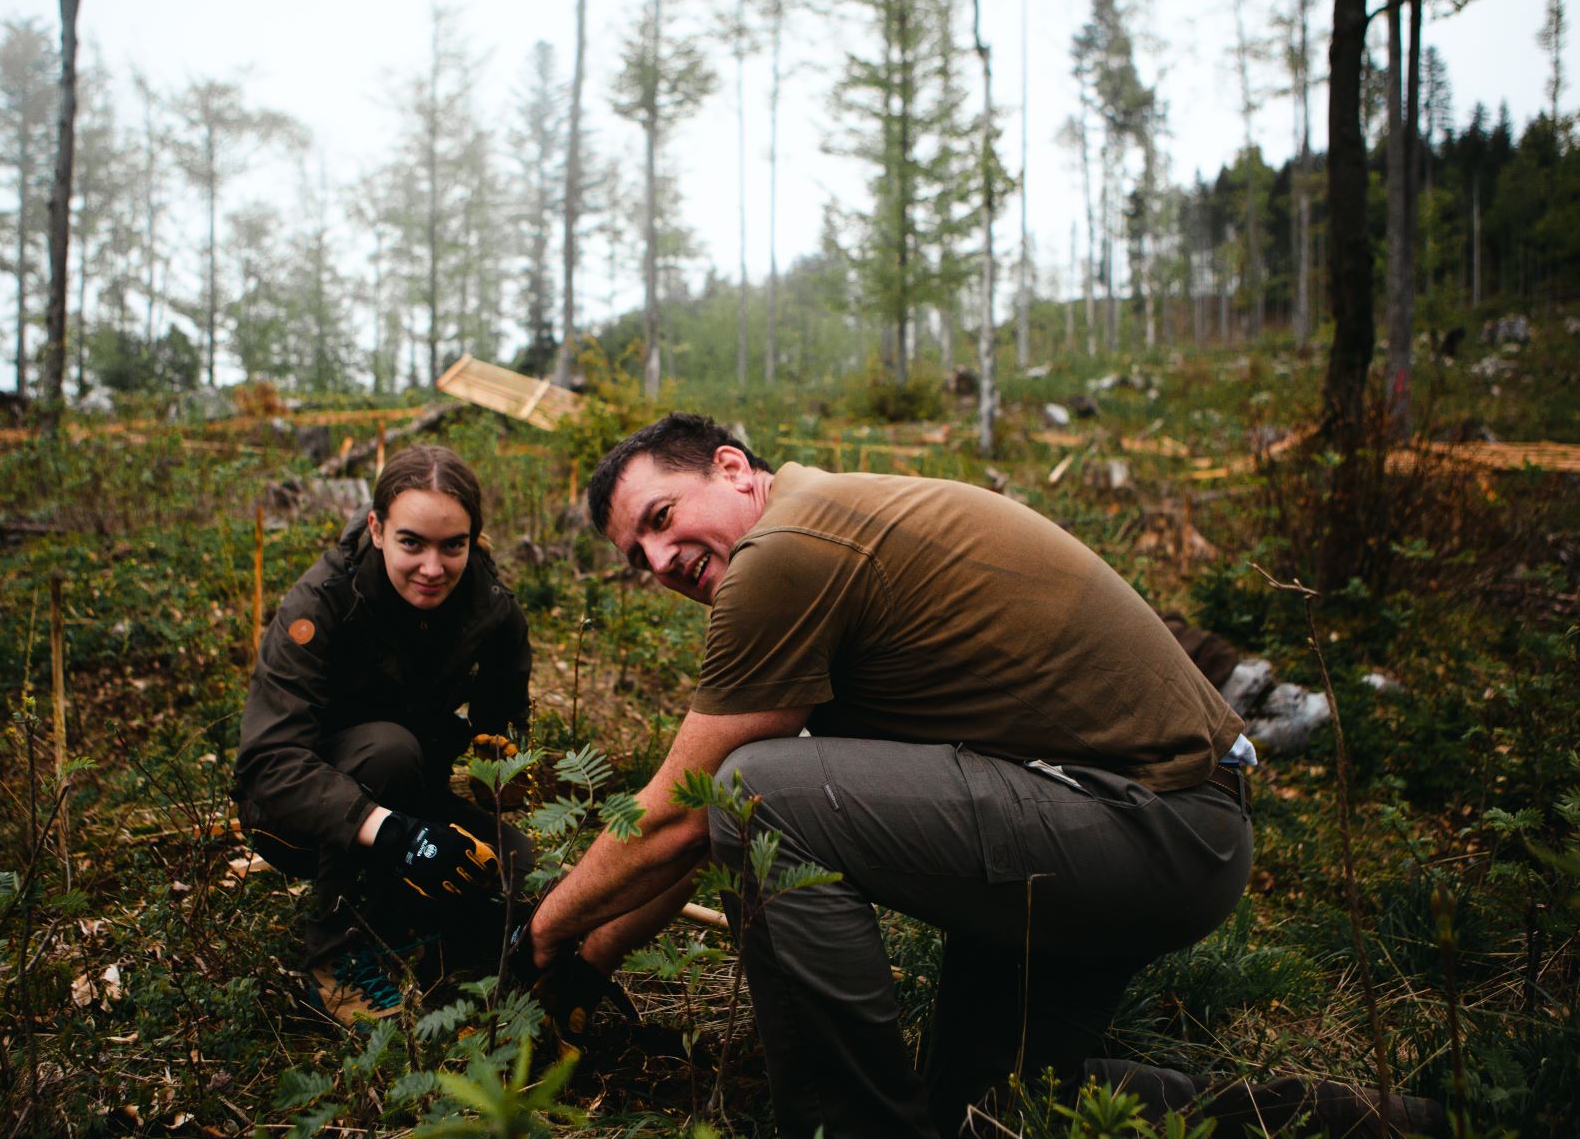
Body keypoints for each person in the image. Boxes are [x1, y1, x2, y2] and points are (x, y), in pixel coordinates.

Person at [515, 412, 1255, 1137]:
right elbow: (702, 826)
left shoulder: (784, 551)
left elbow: (687, 812)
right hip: (1134, 824)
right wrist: (588, 964)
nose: (659, 559)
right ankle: (1300, 1118)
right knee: (985, 1109)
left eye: (661, 516)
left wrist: (540, 935)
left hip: (1148, 824)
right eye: (638, 556)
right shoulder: (825, 517)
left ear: (732, 468)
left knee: (760, 790)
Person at [235, 444, 533, 1025]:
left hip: (409, 793)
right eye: (411, 543)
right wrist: (397, 834)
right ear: (376, 529)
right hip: (295, 813)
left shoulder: (489, 608)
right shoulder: (321, 602)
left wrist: (500, 766)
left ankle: (422, 940)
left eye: (454, 546)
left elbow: (501, 722)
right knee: (388, 751)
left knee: (517, 869)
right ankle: (334, 956)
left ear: (474, 538)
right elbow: (268, 763)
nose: (433, 567)